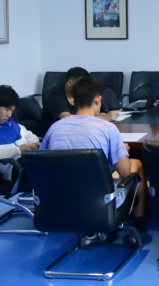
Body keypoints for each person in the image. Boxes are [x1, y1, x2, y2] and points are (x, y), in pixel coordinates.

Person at [40, 76, 147, 247]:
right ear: (98, 99)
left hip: (59, 200)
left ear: (73, 100)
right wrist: (122, 153)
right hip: (99, 202)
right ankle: (139, 225)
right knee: (136, 165)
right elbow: (125, 172)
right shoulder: (108, 129)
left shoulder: (55, 128)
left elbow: (42, 162)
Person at [0, 85, 40, 179]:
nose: (9, 115)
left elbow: (28, 134)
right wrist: (18, 150)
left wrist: (33, 144)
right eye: (7, 110)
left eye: (12, 110)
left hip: (28, 158)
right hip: (15, 168)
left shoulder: (8, 122)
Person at [41, 67, 119, 128]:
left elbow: (85, 114)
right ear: (69, 83)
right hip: (55, 135)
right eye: (80, 84)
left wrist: (97, 114)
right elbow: (68, 120)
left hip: (78, 130)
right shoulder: (54, 95)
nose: (83, 87)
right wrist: (104, 118)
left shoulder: (80, 94)